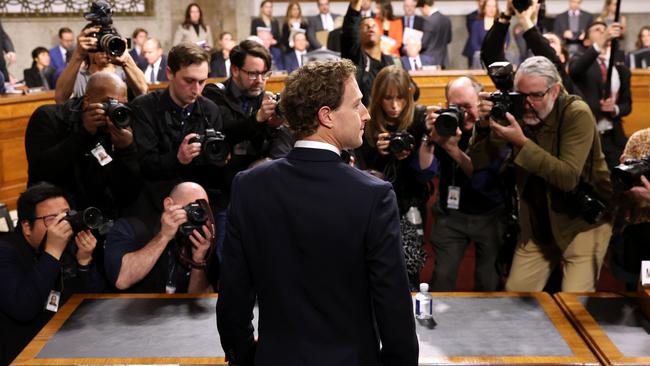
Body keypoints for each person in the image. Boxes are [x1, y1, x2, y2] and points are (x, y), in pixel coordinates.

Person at [217, 58, 418, 366]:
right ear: (327, 116)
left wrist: (244, 357)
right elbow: (393, 305)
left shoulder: (249, 187)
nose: (366, 114)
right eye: (357, 105)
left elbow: (233, 297)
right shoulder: (373, 195)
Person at [473, 56, 613, 292]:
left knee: (573, 305)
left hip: (582, 221)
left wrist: (521, 142)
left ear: (555, 91)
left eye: (536, 95)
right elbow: (477, 162)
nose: (527, 103)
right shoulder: (515, 110)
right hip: (539, 222)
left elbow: (567, 177)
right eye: (521, 95)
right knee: (515, 299)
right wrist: (484, 126)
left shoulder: (576, 113)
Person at [0, 183, 103, 365]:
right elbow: (23, 309)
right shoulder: (5, 252)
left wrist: (84, 262)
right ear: (26, 226)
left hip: (66, 348)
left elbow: (90, 310)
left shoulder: (68, 247)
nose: (62, 224)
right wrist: (52, 252)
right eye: (51, 218)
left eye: (66, 215)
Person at [422, 76, 509, 292]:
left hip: (489, 214)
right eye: (455, 107)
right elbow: (425, 172)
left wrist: (452, 149)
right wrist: (429, 139)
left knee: (488, 284)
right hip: (451, 215)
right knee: (442, 280)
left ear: (480, 104)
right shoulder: (445, 126)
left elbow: (483, 180)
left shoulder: (495, 129)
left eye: (468, 107)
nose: (463, 114)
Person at [202, 40, 281, 262]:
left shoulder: (266, 100)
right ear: (235, 69)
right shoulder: (214, 94)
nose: (260, 80)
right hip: (225, 193)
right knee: (229, 260)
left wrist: (273, 127)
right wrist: (258, 119)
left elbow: (266, 146)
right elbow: (225, 131)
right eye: (253, 74)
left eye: (265, 74)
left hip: (262, 192)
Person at [130, 42, 226, 220]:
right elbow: (143, 165)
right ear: (169, 73)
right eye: (189, 81)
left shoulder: (210, 109)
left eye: (202, 82)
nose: (196, 90)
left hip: (201, 200)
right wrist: (178, 159)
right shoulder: (144, 107)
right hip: (155, 203)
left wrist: (219, 159)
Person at [25, 72, 140, 219]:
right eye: (109, 102)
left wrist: (126, 150)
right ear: (87, 101)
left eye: (122, 104)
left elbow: (127, 195)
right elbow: (41, 170)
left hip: (96, 217)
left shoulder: (116, 128)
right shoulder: (49, 117)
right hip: (52, 216)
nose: (115, 109)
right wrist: (84, 133)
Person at [104, 182, 214, 293]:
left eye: (201, 210)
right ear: (169, 205)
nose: (196, 215)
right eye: (192, 208)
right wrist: (164, 236)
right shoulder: (130, 228)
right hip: (137, 309)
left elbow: (202, 299)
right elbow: (122, 280)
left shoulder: (202, 240)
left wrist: (198, 261)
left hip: (178, 309)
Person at [481, 0, 580, 96]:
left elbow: (548, 56)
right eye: (543, 40)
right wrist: (506, 15)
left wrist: (525, 19)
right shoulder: (518, 81)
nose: (542, 44)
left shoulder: (564, 83)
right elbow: (491, 56)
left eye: (550, 42)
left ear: (563, 57)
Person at [569, 21, 631, 170]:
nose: (604, 32)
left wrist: (615, 108)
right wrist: (601, 41)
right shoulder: (579, 58)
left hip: (613, 136)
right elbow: (575, 71)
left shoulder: (619, 64)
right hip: (589, 135)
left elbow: (627, 104)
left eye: (605, 30)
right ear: (587, 40)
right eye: (597, 30)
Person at [54, 25, 147, 104]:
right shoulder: (78, 77)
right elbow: (60, 99)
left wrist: (126, 60)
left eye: (106, 42)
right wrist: (78, 54)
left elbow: (143, 92)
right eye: (97, 43)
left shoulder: (125, 75)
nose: (102, 49)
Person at [341, 0, 396, 106]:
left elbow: (413, 90)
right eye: (366, 26)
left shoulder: (392, 61)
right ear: (359, 35)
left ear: (380, 33)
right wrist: (355, 6)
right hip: (365, 118)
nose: (370, 27)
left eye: (374, 25)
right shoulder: (355, 59)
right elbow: (349, 33)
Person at [469, 0, 503, 69]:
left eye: (494, 6)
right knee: (477, 55)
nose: (491, 9)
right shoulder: (476, 24)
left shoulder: (502, 24)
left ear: (497, 8)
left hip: (498, 53)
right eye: (489, 6)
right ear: (484, 8)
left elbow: (506, 41)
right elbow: (474, 43)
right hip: (481, 54)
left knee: (510, 55)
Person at [420, 0, 452, 68]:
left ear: (425, 6)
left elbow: (424, 43)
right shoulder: (447, 19)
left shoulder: (429, 21)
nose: (421, 12)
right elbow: (449, 39)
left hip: (429, 59)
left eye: (421, 9)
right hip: (443, 59)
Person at [462, 0, 486, 67]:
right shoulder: (471, 16)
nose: (482, 3)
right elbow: (472, 31)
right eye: (480, 1)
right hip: (474, 49)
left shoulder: (494, 17)